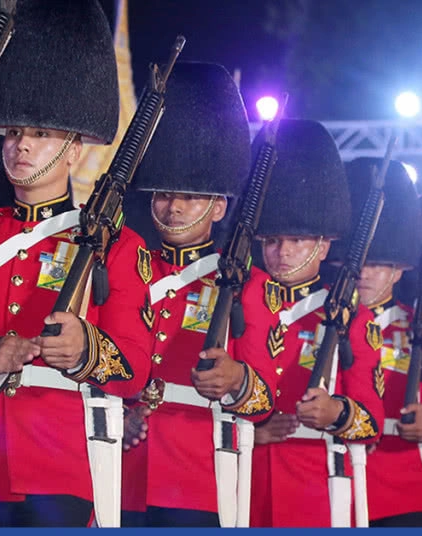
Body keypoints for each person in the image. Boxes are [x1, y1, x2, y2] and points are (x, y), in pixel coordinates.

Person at [0, 0, 151, 527]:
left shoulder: (115, 244)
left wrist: (87, 348)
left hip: (63, 459)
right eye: (15, 132)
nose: (21, 146)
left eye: (40, 134)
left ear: (74, 150)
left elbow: (135, 367)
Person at [118, 61, 279, 527]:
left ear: (219, 205)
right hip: (121, 464)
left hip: (196, 471)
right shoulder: (131, 265)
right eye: (165, 193)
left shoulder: (247, 285)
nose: (174, 206)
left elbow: (264, 397)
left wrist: (236, 380)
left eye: (189, 195)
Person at [249, 119, 384, 528]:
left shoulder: (350, 313)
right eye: (272, 241)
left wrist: (335, 413)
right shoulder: (243, 297)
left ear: (323, 245)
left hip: (314, 484)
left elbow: (371, 421)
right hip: (243, 479)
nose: (282, 252)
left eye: (297, 241)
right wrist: (253, 432)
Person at [350, 158, 422, 527]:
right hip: (331, 478)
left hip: (399, 485)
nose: (364, 273)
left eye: (377, 264)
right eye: (360, 261)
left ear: (398, 270)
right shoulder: (320, 319)